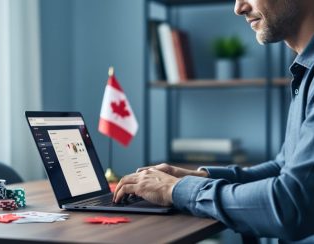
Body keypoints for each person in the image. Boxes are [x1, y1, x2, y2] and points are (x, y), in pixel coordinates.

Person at [113, 0, 314, 242]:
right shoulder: (305, 71)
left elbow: (291, 205)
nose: (239, 8)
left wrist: (174, 190)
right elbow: (283, 167)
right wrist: (196, 177)